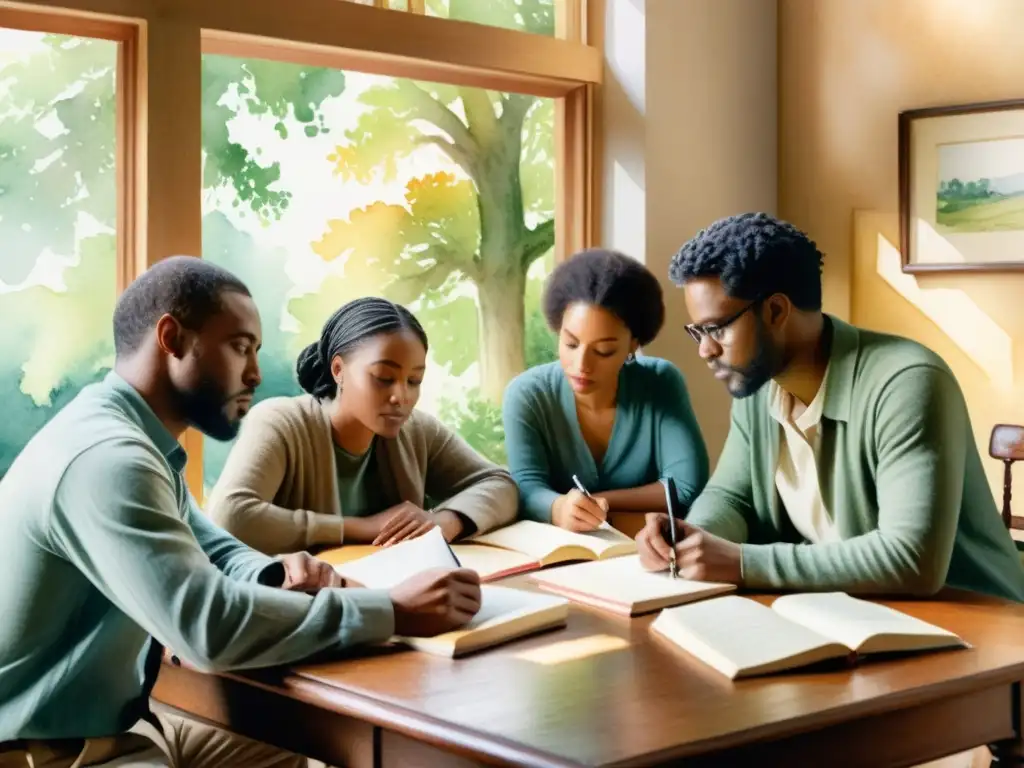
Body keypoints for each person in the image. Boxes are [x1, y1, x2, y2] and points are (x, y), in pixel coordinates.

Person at [0, 257, 482, 768]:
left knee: (321, 758)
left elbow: (214, 546)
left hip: (125, 729)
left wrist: (278, 572)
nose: (254, 372)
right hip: (51, 753)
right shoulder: (108, 460)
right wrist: (392, 610)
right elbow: (209, 627)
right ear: (172, 339)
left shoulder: (130, 435)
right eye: (240, 348)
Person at [636, 212, 1024, 602]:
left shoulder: (907, 382)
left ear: (775, 311)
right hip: (860, 614)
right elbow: (732, 498)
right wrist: (689, 541)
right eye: (698, 331)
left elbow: (912, 559)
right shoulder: (759, 386)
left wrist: (740, 563)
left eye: (717, 328)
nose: (705, 350)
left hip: (979, 623)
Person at [206, 297, 517, 555]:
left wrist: (445, 522)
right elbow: (230, 516)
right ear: (338, 370)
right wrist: (363, 528)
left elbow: (500, 484)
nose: (401, 396)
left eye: (414, 381)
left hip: (395, 600)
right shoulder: (280, 422)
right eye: (383, 378)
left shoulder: (417, 431)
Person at [502, 248, 709, 533]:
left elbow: (685, 486)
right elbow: (525, 487)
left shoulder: (660, 382)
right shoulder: (528, 394)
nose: (581, 365)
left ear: (633, 344)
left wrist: (597, 505)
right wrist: (559, 508)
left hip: (646, 548)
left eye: (603, 351)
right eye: (571, 344)